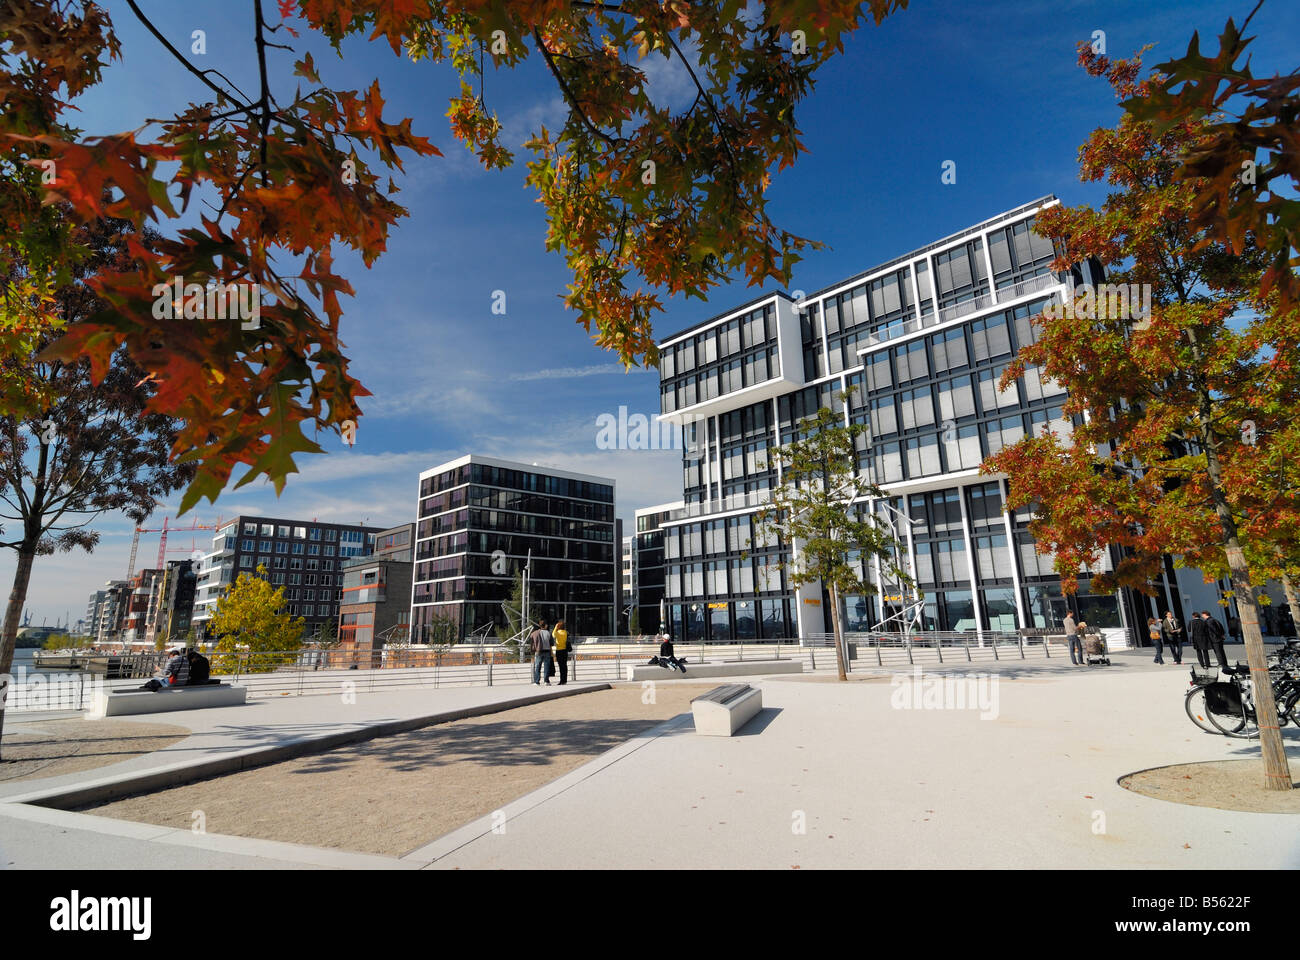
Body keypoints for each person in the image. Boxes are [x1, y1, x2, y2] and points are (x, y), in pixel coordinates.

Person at [529, 620, 554, 685]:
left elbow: (531, 637)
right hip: (547, 651)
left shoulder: (535, 633)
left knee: (537, 667)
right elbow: (551, 643)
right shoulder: (549, 633)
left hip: (538, 651)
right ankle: (546, 681)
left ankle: (537, 681)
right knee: (546, 667)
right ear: (545, 625)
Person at [553, 619, 570, 686]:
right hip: (565, 651)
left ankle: (561, 680)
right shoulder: (566, 632)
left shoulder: (557, 633)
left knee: (560, 666)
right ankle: (564, 680)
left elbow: (553, 635)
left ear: (558, 626)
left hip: (559, 651)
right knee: (564, 665)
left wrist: (555, 627)